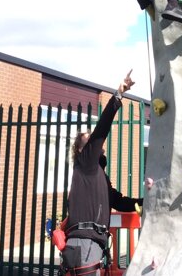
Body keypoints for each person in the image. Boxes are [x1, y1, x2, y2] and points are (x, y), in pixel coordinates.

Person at [60, 70, 142, 276]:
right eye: (88, 140)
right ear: (81, 150)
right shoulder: (85, 163)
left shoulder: (98, 176)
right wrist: (118, 95)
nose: (94, 141)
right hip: (84, 243)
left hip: (92, 244)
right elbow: (102, 130)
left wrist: (147, 202)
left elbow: (119, 201)